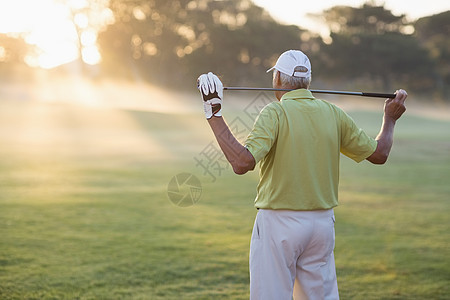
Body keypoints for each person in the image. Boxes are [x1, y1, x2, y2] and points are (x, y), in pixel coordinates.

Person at [197, 50, 407, 300]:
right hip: (321, 226)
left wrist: (214, 114)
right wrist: (390, 118)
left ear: (277, 79)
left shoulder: (275, 112)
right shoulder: (334, 113)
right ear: (307, 81)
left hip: (279, 225)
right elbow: (379, 154)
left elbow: (242, 163)